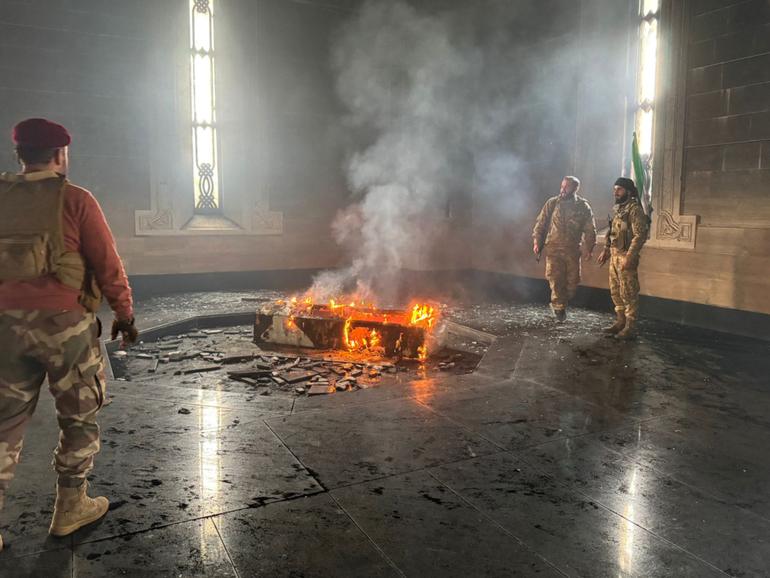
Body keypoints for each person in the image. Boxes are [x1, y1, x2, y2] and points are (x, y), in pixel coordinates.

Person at [0, 118, 138, 550]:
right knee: (79, 415)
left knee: (3, 423)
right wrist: (125, 314)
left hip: (5, 328)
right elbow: (106, 264)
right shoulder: (76, 200)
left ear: (19, 155)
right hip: (66, 328)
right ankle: (70, 507)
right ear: (61, 154)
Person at [532, 176, 597, 322]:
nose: (563, 190)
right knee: (555, 280)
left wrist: (590, 247)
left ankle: (562, 301)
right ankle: (559, 308)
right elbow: (541, 223)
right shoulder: (552, 203)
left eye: (566, 187)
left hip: (572, 250)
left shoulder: (582, 206)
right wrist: (537, 241)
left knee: (573, 282)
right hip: (554, 249)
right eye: (562, 186)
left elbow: (590, 228)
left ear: (575, 189)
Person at [597, 177, 648, 340]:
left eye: (619, 189)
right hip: (614, 255)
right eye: (615, 189)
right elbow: (613, 232)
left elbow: (640, 235)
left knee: (629, 292)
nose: (616, 192)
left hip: (626, 256)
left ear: (628, 191)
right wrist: (606, 249)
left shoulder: (635, 210)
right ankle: (620, 321)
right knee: (616, 290)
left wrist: (629, 256)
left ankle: (630, 326)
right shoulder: (619, 209)